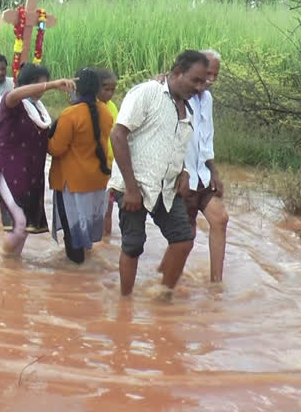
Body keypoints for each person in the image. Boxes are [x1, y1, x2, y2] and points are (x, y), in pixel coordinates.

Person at [108, 50, 209, 296]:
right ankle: (125, 303)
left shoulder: (188, 109)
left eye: (202, 82)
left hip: (166, 188)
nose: (199, 87)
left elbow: (176, 144)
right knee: (132, 246)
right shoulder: (147, 93)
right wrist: (131, 190)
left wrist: (184, 171)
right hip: (133, 186)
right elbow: (117, 134)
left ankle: (162, 297)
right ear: (177, 73)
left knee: (183, 240)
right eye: (195, 80)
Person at [0, 64, 75, 256]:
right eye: (37, 83)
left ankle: (14, 267)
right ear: (23, 84)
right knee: (19, 224)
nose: (41, 87)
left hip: (32, 173)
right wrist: (52, 85)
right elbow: (16, 94)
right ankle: (4, 263)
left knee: (25, 227)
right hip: (8, 171)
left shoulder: (40, 110)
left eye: (42, 82)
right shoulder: (11, 102)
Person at [160, 50, 229, 283]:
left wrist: (214, 171)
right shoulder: (178, 93)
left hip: (202, 174)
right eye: (205, 74)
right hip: (182, 176)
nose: (209, 81)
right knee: (185, 238)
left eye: (214, 75)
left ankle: (216, 283)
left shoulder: (206, 99)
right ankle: (163, 280)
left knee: (220, 219)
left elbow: (206, 137)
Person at [49, 68, 114, 264]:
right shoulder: (105, 111)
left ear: (75, 88)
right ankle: (86, 273)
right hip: (96, 180)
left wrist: (44, 135)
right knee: (86, 229)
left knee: (73, 232)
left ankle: (75, 276)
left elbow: (56, 149)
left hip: (72, 182)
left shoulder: (70, 114)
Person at [96, 69, 119, 236]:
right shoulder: (92, 108)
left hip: (111, 168)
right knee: (94, 209)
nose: (109, 93)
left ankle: (105, 243)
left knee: (108, 208)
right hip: (95, 167)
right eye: (106, 88)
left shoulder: (112, 107)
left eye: (112, 89)